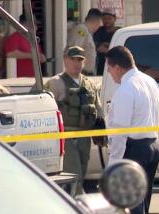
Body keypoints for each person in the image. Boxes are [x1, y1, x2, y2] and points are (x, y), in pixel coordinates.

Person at [105, 46, 159, 214]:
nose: (109, 74)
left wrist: (113, 164)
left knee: (132, 204)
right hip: (152, 146)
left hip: (134, 149)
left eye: (109, 69)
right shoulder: (149, 81)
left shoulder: (126, 89)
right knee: (143, 202)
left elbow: (120, 132)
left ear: (118, 68)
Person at [44, 46, 103, 195]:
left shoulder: (90, 84)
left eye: (80, 60)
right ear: (65, 60)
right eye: (73, 59)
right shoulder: (55, 83)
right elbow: (41, 106)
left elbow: (98, 108)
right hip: (67, 139)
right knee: (74, 177)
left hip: (84, 138)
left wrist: (101, 130)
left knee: (81, 175)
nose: (77, 63)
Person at [67, 8, 102, 75]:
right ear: (96, 22)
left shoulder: (87, 32)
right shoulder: (81, 30)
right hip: (82, 73)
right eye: (99, 25)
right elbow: (74, 50)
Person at [93, 8, 119, 75]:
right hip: (101, 64)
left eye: (109, 18)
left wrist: (106, 45)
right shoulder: (98, 31)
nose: (107, 21)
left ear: (115, 18)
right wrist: (110, 46)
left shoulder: (119, 32)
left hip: (117, 63)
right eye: (104, 18)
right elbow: (98, 48)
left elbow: (119, 48)